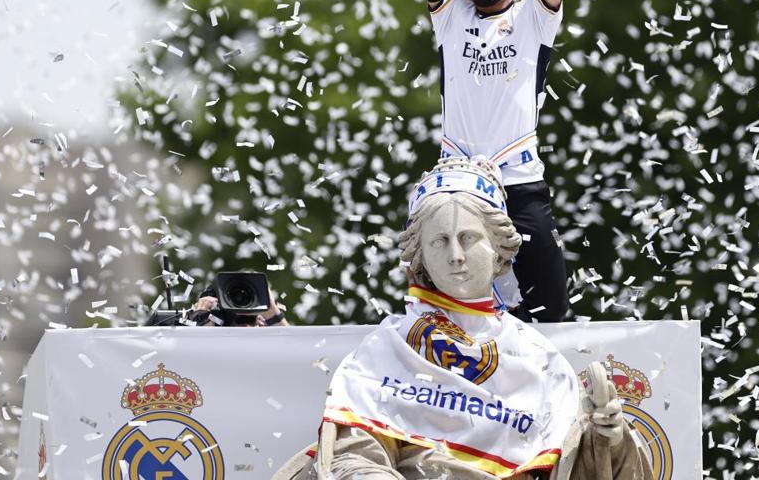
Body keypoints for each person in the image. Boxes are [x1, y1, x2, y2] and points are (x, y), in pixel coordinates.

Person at [272, 157, 649, 480]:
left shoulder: (538, 356)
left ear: (499, 246)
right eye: (440, 241)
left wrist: (609, 439)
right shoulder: (389, 347)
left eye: (468, 238)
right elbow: (354, 456)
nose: (456, 255)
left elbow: (578, 470)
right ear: (419, 254)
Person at [414, 0, 571, 322]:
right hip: (456, 183)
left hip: (520, 182)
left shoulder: (533, 17)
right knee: (442, 311)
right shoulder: (451, 14)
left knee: (549, 310)